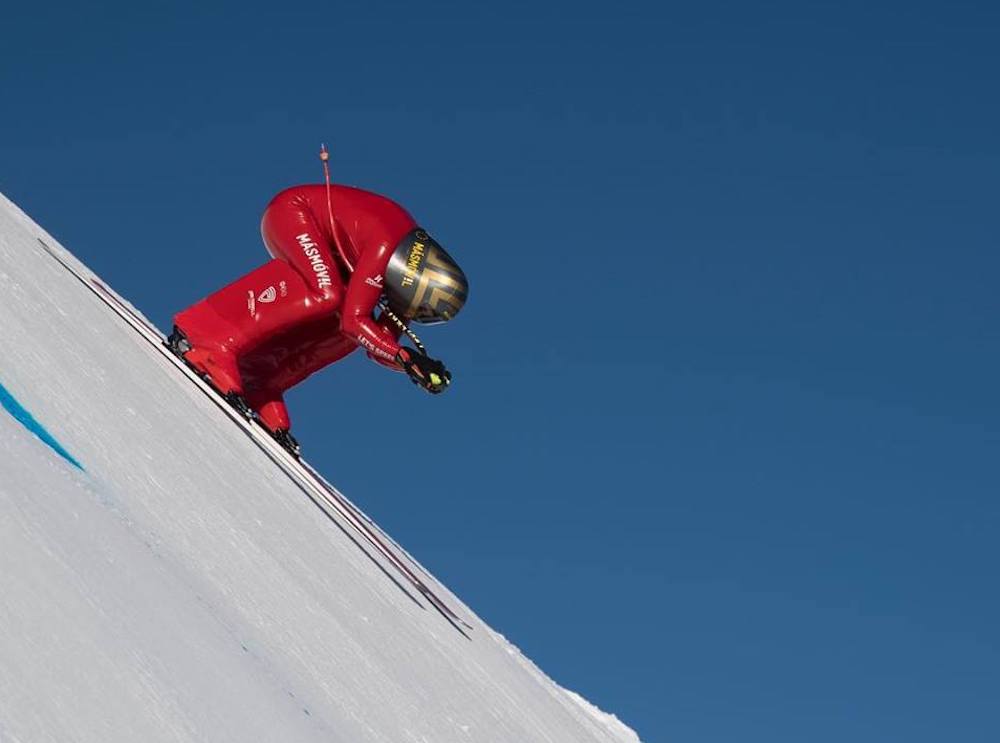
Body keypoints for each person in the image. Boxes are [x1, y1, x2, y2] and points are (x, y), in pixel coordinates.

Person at [168, 182, 468, 455]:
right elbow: (356, 321)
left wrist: (412, 365)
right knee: (328, 295)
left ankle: (260, 378)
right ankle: (210, 336)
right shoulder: (384, 247)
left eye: (418, 313)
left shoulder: (404, 281)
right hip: (294, 213)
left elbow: (375, 343)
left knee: (345, 335)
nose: (409, 313)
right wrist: (402, 355)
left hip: (331, 251)